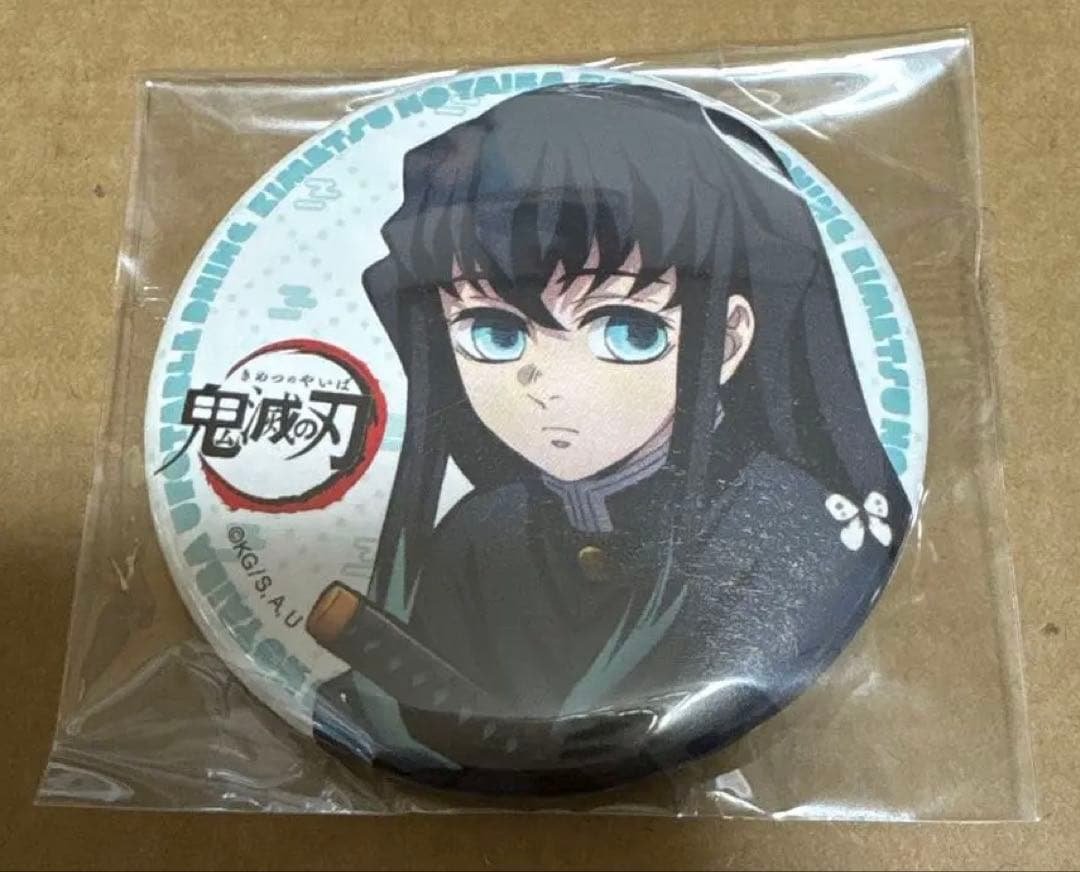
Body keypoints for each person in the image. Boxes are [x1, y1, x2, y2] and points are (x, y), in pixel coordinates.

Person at [308, 82, 911, 793]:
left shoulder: (794, 538)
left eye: (628, 332)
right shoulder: (477, 534)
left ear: (729, 339)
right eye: (495, 333)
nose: (550, 386)